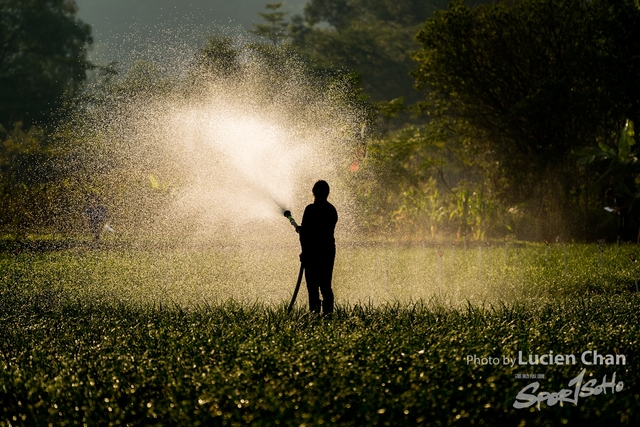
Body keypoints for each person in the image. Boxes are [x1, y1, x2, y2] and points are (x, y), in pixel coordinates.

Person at [298, 180, 338, 316]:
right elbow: (307, 233)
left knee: (313, 287)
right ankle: (328, 314)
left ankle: (315, 314)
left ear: (313, 192)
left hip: (313, 253)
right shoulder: (331, 210)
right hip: (326, 252)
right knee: (325, 286)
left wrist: (304, 251)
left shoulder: (310, 209)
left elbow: (304, 235)